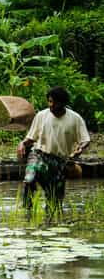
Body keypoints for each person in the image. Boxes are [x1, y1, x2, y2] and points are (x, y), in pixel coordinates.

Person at [17, 86, 90, 215]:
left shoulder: (75, 119)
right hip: (39, 154)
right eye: (49, 101)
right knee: (29, 180)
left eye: (54, 102)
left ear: (63, 104)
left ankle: (49, 223)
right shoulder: (41, 115)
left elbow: (85, 140)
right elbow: (31, 138)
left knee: (54, 206)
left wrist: (80, 148)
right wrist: (23, 143)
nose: (51, 105)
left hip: (60, 162)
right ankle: (27, 213)